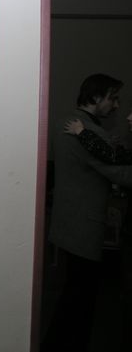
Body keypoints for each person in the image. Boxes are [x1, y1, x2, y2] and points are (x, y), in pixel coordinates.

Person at [42, 73, 132, 352]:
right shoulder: (88, 132)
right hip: (84, 225)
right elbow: (121, 173)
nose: (116, 106)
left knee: (73, 293)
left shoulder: (64, 121)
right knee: (80, 298)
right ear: (95, 97)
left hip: (68, 220)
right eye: (112, 98)